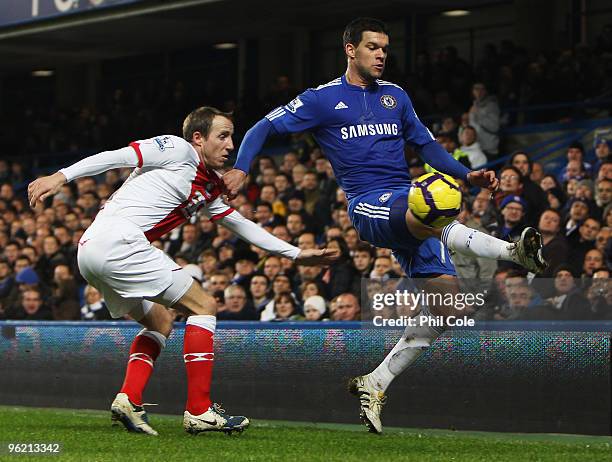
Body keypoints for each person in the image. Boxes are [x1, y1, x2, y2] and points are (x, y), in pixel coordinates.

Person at [223, 18, 546, 434]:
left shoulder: (396, 97)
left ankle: (375, 382)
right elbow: (262, 126)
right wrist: (243, 170)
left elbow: (427, 145)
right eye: (372, 47)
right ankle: (511, 252)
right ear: (349, 49)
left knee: (449, 309)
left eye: (385, 49)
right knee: (429, 206)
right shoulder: (322, 99)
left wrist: (467, 175)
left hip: (407, 199)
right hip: (368, 205)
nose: (380, 55)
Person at [27, 106, 338, 436]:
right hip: (118, 242)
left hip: (91, 252)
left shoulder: (209, 185)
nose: (231, 145)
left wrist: (296, 254)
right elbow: (117, 156)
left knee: (160, 320)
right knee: (204, 306)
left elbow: (239, 223)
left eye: (232, 137)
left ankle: (129, 398)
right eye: (223, 136)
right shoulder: (176, 148)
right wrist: (60, 176)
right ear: (198, 138)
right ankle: (200, 411)